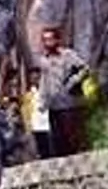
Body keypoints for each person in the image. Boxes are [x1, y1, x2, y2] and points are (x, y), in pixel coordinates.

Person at [33, 25, 94, 158]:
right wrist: (42, 102)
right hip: (54, 105)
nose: (48, 43)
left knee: (74, 138)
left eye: (50, 39)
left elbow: (85, 69)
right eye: (45, 40)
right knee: (58, 141)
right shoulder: (43, 60)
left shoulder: (68, 55)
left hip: (70, 103)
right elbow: (44, 81)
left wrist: (73, 81)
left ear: (57, 40)